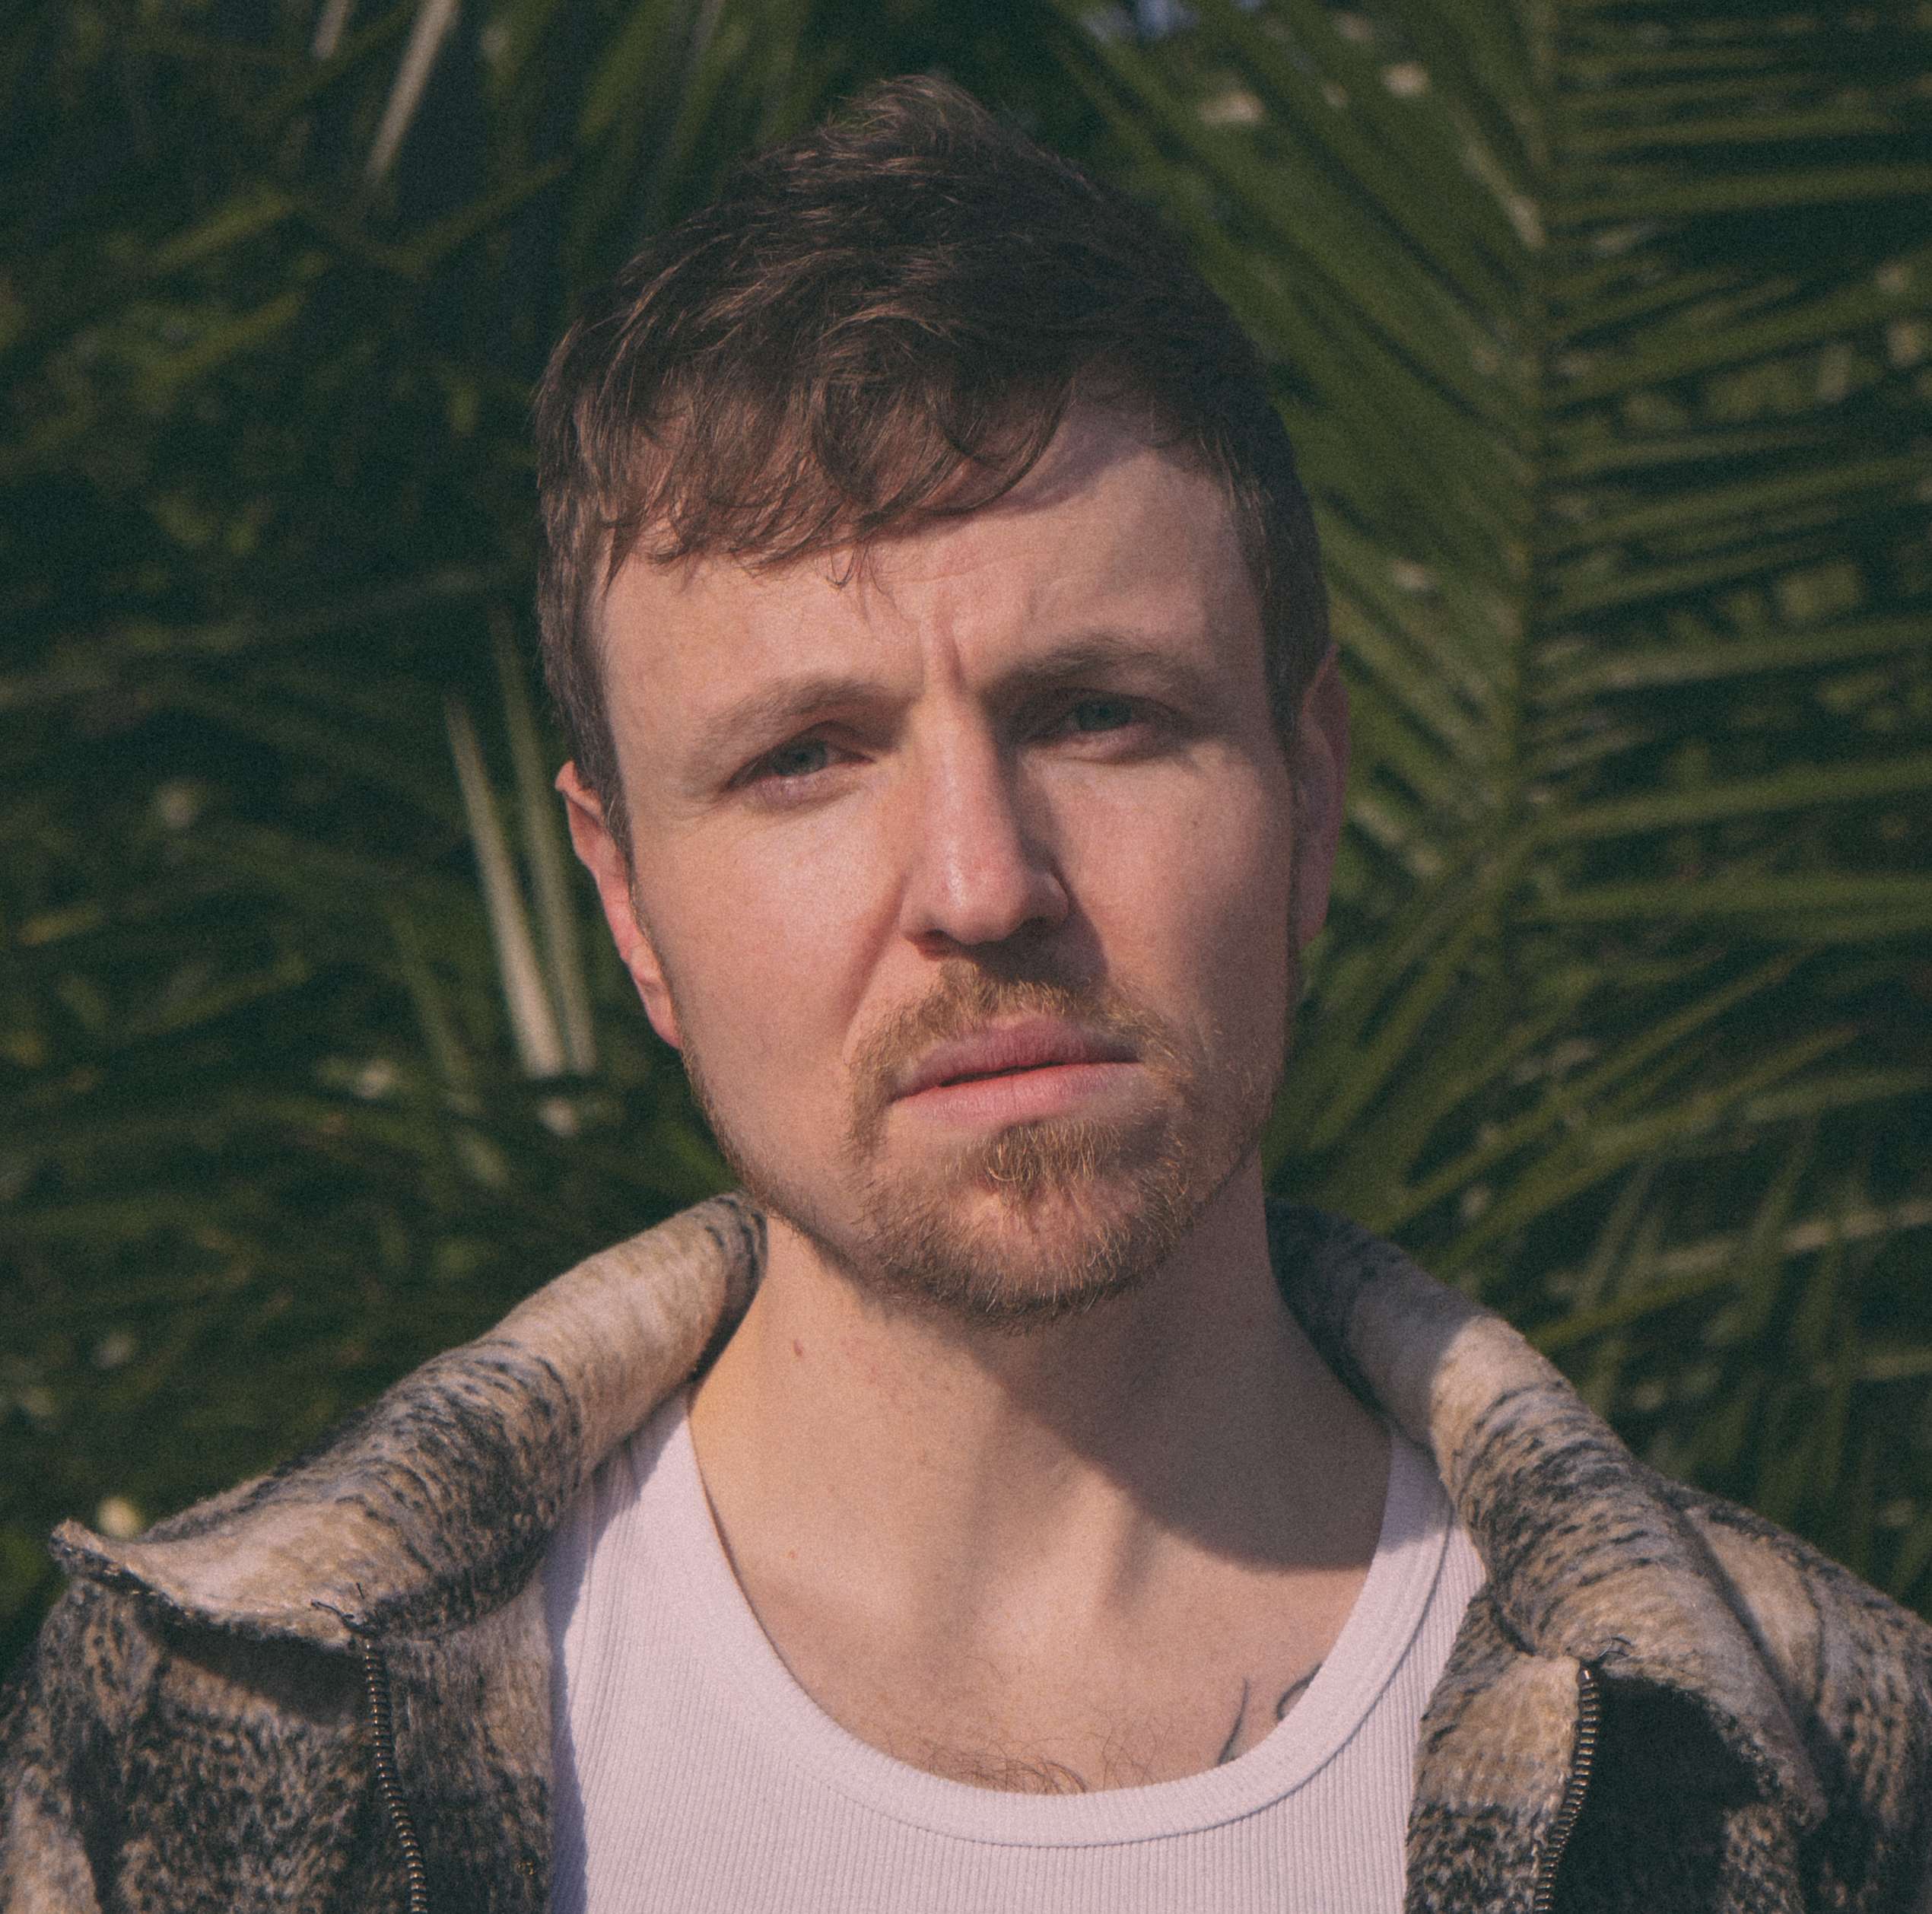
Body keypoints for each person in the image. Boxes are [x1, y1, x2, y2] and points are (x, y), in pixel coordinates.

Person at [4, 76, 1929, 1914]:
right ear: (624, 895)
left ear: (1311, 792)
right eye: (805, 757)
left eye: (1099, 715)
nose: (982, 886)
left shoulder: (1827, 1781)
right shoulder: (191, 1747)